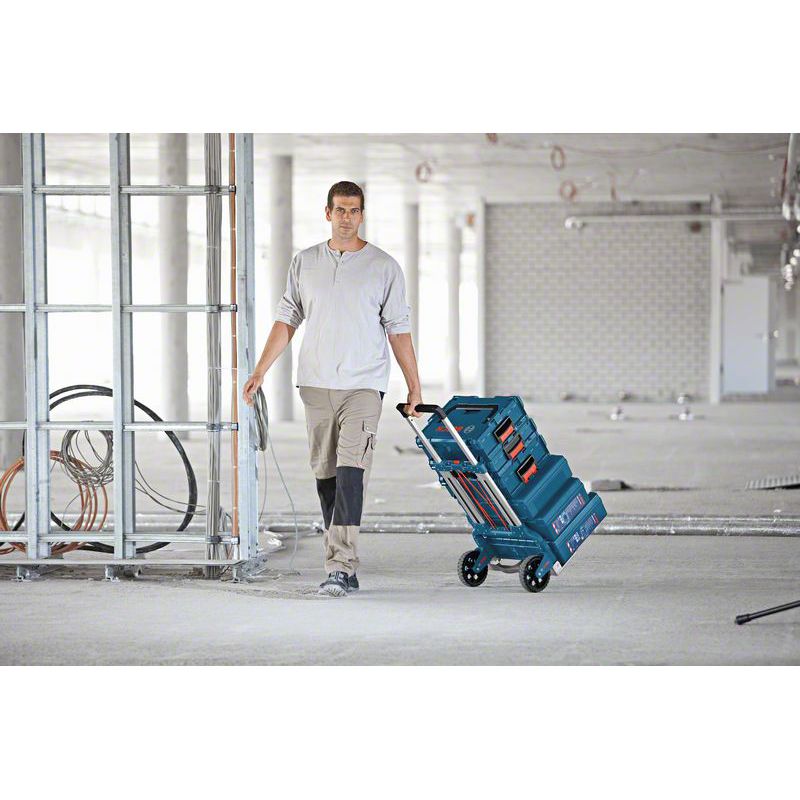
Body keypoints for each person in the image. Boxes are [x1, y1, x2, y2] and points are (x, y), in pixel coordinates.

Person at [243, 180, 423, 597]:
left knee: (351, 473)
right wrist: (261, 370)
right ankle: (339, 553)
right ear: (328, 213)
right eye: (340, 210)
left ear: (362, 215)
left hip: (364, 386)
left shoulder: (383, 267)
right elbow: (287, 319)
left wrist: (414, 388)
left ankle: (341, 565)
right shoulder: (305, 262)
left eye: (354, 210)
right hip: (316, 384)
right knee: (326, 476)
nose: (346, 217)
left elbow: (398, 330)